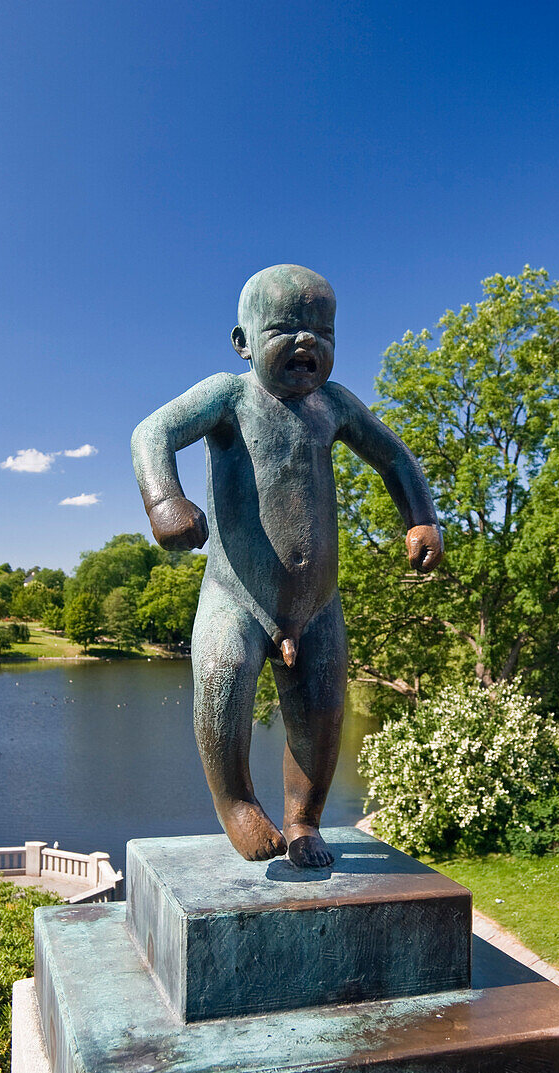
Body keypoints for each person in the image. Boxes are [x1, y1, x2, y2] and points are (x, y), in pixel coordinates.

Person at [132, 264, 442, 868]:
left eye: (322, 332)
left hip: (318, 603)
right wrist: (165, 501)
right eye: (286, 329)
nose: (307, 343)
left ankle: (304, 820)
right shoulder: (229, 395)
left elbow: (395, 457)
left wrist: (421, 515)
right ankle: (239, 805)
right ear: (243, 342)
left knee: (323, 717)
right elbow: (152, 433)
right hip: (236, 594)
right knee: (222, 682)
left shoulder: (334, 405)